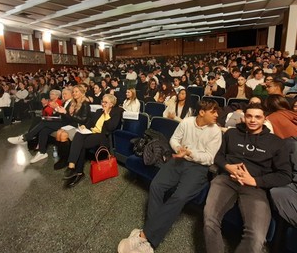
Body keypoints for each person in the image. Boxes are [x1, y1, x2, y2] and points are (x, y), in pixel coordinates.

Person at [118, 100, 222, 253]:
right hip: (179, 159)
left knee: (179, 197)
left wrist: (190, 154)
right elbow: (174, 139)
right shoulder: (187, 122)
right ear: (202, 112)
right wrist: (179, 148)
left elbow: (209, 158)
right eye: (213, 111)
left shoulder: (215, 131)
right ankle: (149, 238)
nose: (217, 115)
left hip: (198, 167)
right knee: (156, 186)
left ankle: (144, 236)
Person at [203, 103, 292, 253]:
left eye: (257, 117)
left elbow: (285, 175)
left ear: (264, 119)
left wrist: (256, 181)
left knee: (256, 236)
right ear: (244, 117)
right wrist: (227, 166)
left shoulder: (276, 143)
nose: (252, 120)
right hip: (227, 179)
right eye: (249, 116)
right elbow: (219, 157)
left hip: (255, 187)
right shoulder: (231, 134)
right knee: (209, 220)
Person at [62, 94, 122, 188]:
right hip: (91, 132)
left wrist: (106, 114)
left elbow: (111, 128)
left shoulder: (116, 112)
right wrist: (84, 126)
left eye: (106, 102)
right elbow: (91, 122)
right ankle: (72, 166)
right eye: (102, 102)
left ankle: (78, 172)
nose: (103, 104)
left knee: (80, 144)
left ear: (111, 104)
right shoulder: (99, 111)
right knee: (79, 134)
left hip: (102, 136)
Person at [7, 88, 74, 163]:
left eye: (66, 94)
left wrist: (57, 109)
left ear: (71, 94)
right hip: (61, 120)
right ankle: (42, 152)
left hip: (67, 124)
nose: (64, 95)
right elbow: (59, 114)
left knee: (43, 122)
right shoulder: (65, 102)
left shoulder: (73, 103)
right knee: (44, 129)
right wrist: (56, 110)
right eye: (63, 94)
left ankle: (25, 138)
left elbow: (70, 118)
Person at [53, 85, 92, 170]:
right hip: (73, 125)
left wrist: (68, 113)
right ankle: (63, 158)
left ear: (82, 93)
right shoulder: (73, 103)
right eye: (73, 92)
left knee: (63, 135)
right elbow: (70, 118)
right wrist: (64, 113)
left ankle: (66, 160)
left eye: (76, 91)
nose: (74, 93)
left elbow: (83, 120)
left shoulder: (85, 104)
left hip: (81, 127)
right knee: (59, 133)